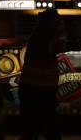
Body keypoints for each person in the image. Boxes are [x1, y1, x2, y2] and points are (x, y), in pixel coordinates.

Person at [19, 8, 65, 140]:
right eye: (58, 22)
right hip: (40, 88)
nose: (61, 24)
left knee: (32, 128)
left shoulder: (37, 34)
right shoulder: (46, 37)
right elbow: (59, 47)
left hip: (31, 87)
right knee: (49, 127)